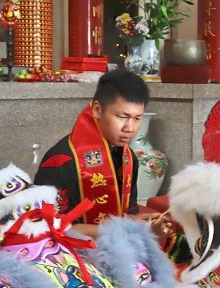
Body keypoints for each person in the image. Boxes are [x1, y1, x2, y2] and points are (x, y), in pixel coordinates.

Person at [35, 70, 151, 238]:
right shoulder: (61, 162)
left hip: (114, 246)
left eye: (137, 118)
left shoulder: (128, 158)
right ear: (97, 109)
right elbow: (50, 228)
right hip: (68, 255)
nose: (130, 128)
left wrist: (144, 224)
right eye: (122, 117)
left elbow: (126, 214)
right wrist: (118, 230)